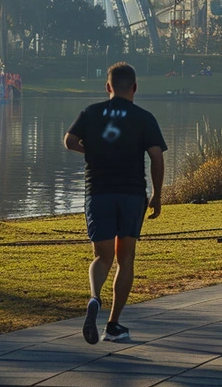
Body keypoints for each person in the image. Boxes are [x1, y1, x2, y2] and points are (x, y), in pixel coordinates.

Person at [64, 63, 166, 345]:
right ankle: (113, 325)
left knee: (102, 256)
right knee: (126, 259)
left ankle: (95, 297)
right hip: (131, 195)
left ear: (108, 87)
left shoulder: (91, 113)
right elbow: (156, 157)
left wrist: (91, 149)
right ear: (134, 87)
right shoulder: (144, 117)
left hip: (98, 193)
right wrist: (157, 195)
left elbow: (69, 140)